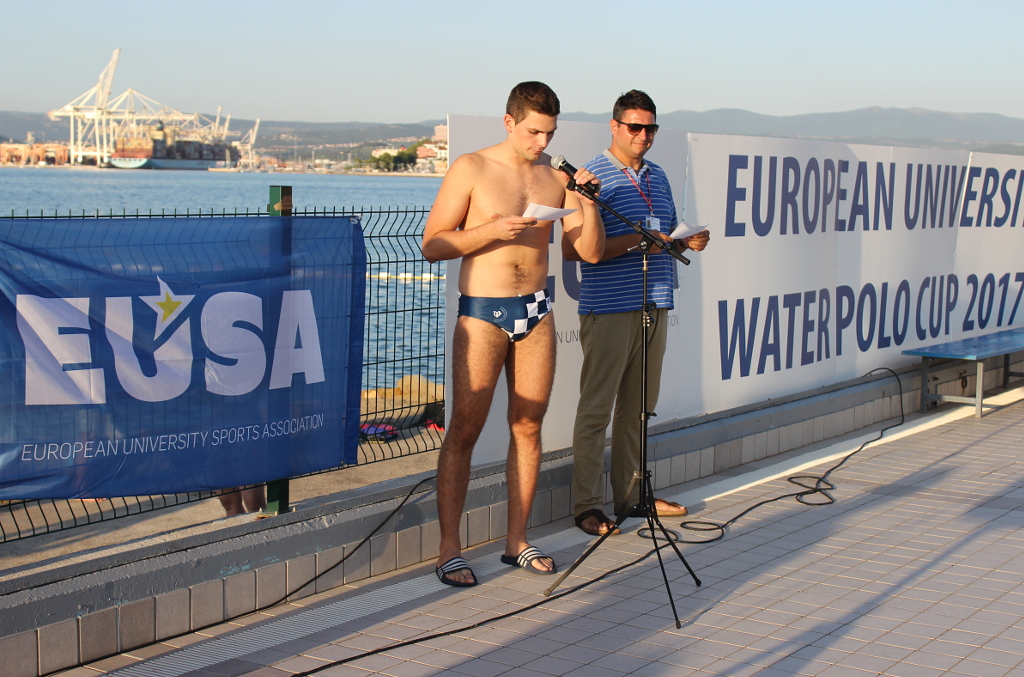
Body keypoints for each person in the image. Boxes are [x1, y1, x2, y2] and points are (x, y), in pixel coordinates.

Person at [422, 82, 605, 586]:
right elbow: (433, 245)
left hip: (537, 312)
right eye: (532, 132)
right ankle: (448, 549)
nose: (541, 142)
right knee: (464, 430)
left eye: (548, 133)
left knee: (528, 426)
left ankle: (516, 541)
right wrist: (490, 232)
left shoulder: (553, 177)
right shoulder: (472, 167)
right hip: (482, 312)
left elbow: (584, 253)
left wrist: (587, 202)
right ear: (509, 122)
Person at [564, 89, 710, 537]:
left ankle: (632, 497)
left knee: (639, 409)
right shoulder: (589, 178)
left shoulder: (659, 176)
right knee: (596, 410)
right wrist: (638, 241)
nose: (644, 135)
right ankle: (587, 506)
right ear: (614, 126)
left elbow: (663, 234)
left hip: (655, 300)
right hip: (610, 307)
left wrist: (686, 241)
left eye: (651, 128)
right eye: (635, 127)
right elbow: (578, 252)